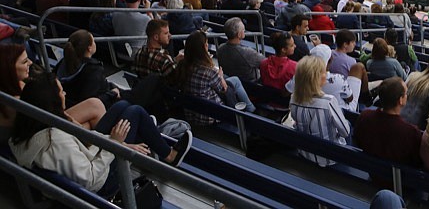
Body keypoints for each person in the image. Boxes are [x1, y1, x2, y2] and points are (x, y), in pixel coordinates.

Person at [9, 73, 192, 195]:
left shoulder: (24, 131)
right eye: (60, 91)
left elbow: (82, 149)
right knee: (134, 112)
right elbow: (92, 180)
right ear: (51, 102)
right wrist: (114, 144)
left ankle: (145, 137)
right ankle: (169, 156)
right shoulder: (54, 141)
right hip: (102, 183)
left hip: (89, 158)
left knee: (121, 106)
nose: (64, 93)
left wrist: (118, 142)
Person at [0, 45, 106, 142]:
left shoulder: (15, 85)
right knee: (95, 108)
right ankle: (111, 147)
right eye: (24, 62)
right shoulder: (15, 103)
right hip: (39, 135)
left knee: (93, 110)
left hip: (43, 126)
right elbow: (48, 120)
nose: (30, 63)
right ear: (9, 68)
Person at [177, 30, 256, 125]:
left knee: (234, 80)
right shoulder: (210, 71)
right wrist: (221, 76)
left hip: (191, 112)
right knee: (232, 83)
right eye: (206, 44)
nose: (207, 46)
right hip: (210, 115)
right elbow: (223, 89)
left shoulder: (182, 65)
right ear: (202, 48)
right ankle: (250, 111)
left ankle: (250, 108)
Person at [354, 77, 422, 186]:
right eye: (405, 93)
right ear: (400, 100)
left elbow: (358, 140)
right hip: (399, 182)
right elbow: (417, 162)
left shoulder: (365, 117)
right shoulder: (411, 132)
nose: (407, 95)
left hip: (372, 172)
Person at [290, 55, 351, 167]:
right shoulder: (328, 101)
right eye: (324, 72)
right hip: (328, 158)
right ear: (316, 78)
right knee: (349, 125)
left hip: (304, 152)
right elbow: (345, 132)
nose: (326, 74)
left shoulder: (293, 98)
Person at [217, 17, 265, 83]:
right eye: (243, 30)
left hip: (230, 83)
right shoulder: (248, 53)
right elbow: (265, 63)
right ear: (239, 34)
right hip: (251, 86)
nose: (244, 31)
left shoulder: (220, 49)